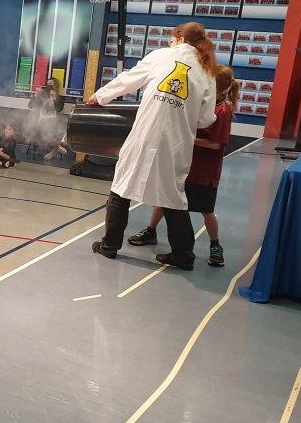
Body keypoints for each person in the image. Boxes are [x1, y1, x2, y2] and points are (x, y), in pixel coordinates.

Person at [88, 21, 217, 270]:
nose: (170, 43)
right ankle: (183, 255)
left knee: (121, 188)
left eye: (172, 39)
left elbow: (128, 80)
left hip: (145, 135)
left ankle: (110, 245)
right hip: (176, 143)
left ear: (180, 39)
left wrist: (100, 96)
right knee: (172, 197)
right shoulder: (207, 71)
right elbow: (205, 119)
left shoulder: (160, 56)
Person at [127, 65, 237, 267]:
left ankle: (215, 245)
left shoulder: (223, 111)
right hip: (182, 165)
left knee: (206, 210)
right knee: (165, 199)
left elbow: (216, 144)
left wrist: (189, 138)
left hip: (204, 172)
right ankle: (150, 231)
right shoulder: (200, 104)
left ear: (219, 88)